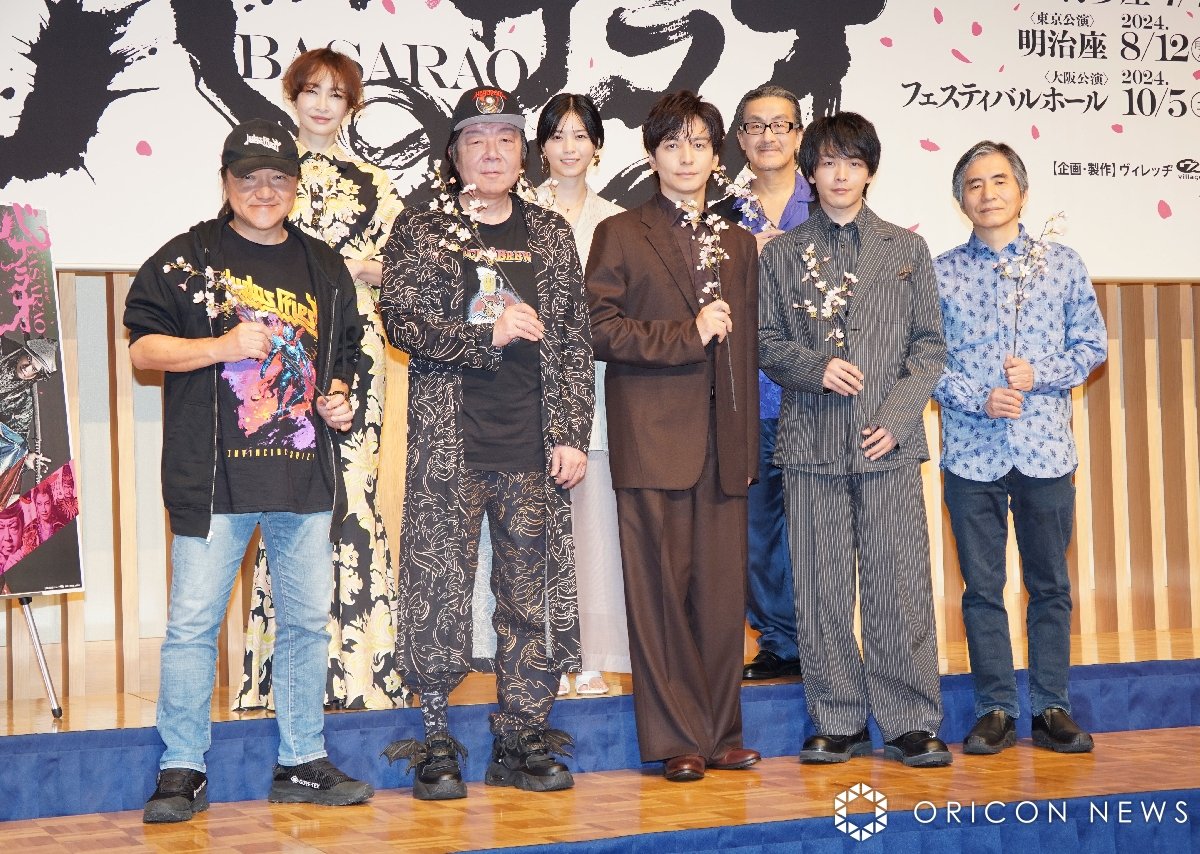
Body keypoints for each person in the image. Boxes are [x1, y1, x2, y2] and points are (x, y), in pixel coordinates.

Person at [124, 118, 372, 823]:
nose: (264, 191)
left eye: (277, 177)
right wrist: (221, 345)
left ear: (296, 183)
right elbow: (143, 350)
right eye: (248, 177)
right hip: (213, 482)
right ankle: (182, 768)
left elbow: (345, 356)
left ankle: (301, 762)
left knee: (306, 627)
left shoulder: (324, 265)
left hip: (304, 479)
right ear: (226, 181)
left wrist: (340, 398)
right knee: (192, 627)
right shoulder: (188, 257)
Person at [379, 85, 593, 801]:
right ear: (454, 154)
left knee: (529, 595)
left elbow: (572, 342)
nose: (492, 152)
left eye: (505, 139)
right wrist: (483, 335)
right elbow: (401, 323)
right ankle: (436, 737)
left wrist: (572, 435)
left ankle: (522, 736)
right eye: (476, 139)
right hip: (451, 446)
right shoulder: (422, 227)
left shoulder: (551, 233)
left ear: (523, 153)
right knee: (437, 591)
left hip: (533, 446)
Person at [758, 112, 950, 767]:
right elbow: (765, 342)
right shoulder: (782, 254)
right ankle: (836, 719)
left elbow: (929, 347)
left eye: (853, 162)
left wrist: (897, 417)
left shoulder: (906, 250)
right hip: (811, 444)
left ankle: (910, 722)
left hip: (887, 445)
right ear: (810, 173)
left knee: (899, 587)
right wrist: (815, 368)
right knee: (821, 590)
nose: (840, 175)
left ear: (870, 171)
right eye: (828, 163)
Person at [587, 90, 760, 782]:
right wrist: (686, 335)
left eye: (699, 144)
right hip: (653, 438)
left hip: (724, 445)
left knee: (720, 600)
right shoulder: (622, 232)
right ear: (652, 156)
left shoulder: (739, 242)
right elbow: (599, 329)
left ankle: (720, 732)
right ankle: (675, 739)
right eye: (671, 144)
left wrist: (746, 446)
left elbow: (747, 349)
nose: (686, 157)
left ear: (717, 157)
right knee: (659, 597)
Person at [237, 48, 406, 713]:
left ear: (351, 106)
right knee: (285, 498)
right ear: (293, 97)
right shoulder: (268, 176)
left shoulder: (375, 182)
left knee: (353, 495)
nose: (323, 105)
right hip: (283, 347)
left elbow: (408, 270)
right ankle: (285, 677)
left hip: (358, 350)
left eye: (337, 94)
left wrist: (362, 270)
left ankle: (360, 671)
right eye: (312, 91)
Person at [934, 141, 1106, 755]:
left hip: (1045, 451)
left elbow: (1092, 347)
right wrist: (975, 397)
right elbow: (923, 359)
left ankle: (1052, 707)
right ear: (961, 200)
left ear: (1022, 192)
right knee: (982, 589)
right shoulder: (940, 272)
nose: (988, 193)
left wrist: (1041, 374)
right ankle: (996, 709)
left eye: (999, 180)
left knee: (1049, 585)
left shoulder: (1061, 264)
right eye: (974, 184)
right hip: (970, 453)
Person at [711, 83, 813, 682]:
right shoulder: (719, 217)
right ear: (740, 139)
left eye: (780, 125)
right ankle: (780, 641)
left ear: (799, 134)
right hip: (747, 397)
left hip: (820, 398)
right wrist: (741, 255)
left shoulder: (829, 203)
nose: (768, 136)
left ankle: (824, 637)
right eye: (755, 126)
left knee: (820, 527)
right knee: (754, 532)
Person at [535, 92, 629, 697]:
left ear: (597, 145)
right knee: (531, 527)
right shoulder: (513, 211)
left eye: (580, 135)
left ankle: (588, 653)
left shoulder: (618, 221)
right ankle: (539, 653)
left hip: (594, 386)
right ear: (540, 146)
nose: (569, 147)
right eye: (556, 135)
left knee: (592, 526)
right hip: (522, 386)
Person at [0, 337, 58, 505]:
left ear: (37, 376)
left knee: (19, 446)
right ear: (23, 352)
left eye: (34, 369)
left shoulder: (24, 402)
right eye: (29, 359)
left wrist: (24, 459)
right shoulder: (3, 349)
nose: (26, 368)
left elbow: (12, 445)